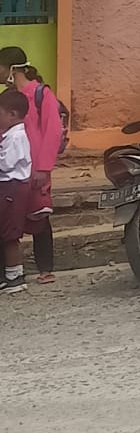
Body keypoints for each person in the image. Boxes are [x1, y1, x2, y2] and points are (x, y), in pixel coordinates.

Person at [0, 47, 63, 285]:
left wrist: (44, 168)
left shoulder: (41, 94)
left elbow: (52, 132)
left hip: (35, 168)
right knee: (8, 219)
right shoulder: (9, 96)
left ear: (12, 69)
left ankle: (45, 267)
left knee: (39, 217)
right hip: (11, 172)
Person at [0, 89, 32, 295]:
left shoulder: (16, 137)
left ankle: (15, 276)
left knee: (10, 234)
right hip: (9, 187)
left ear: (12, 114)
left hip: (12, 187)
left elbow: (5, 163)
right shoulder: (11, 135)